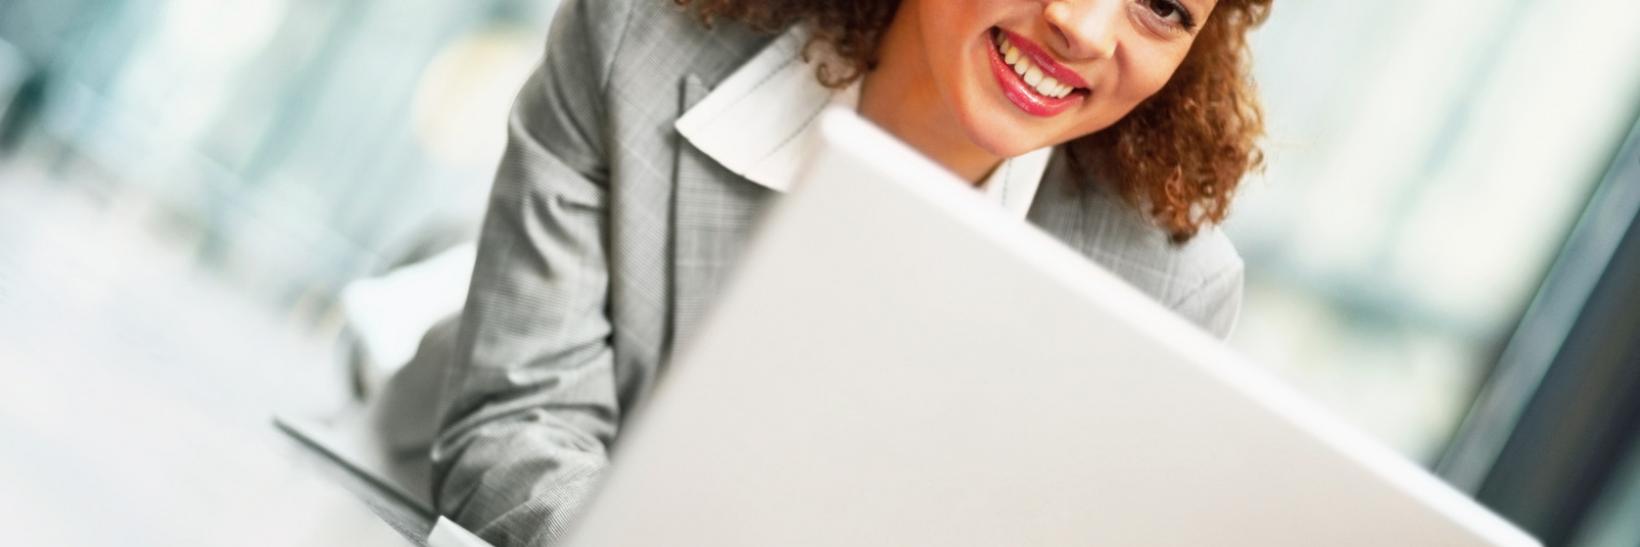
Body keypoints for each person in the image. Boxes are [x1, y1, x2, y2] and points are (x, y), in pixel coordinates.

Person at [430, 0, 1273, 544]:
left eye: (1164, 7)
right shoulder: (638, 40)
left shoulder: (1166, 288)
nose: (1084, 29)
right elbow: (519, 428)